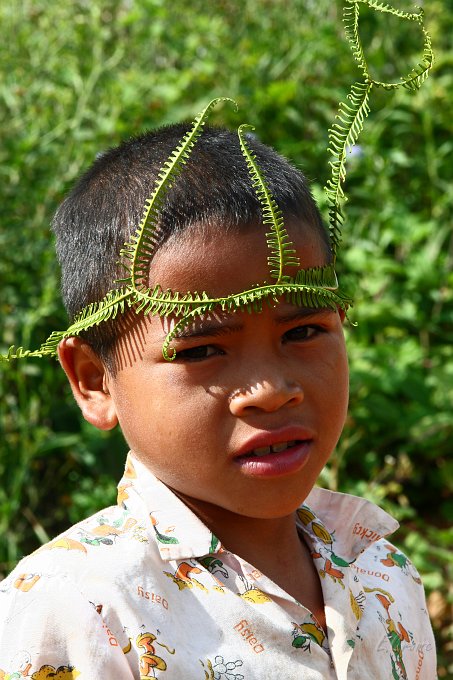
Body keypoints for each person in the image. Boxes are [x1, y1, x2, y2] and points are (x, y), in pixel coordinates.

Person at [0, 120, 436, 680]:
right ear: (93, 380)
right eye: (203, 349)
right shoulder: (79, 608)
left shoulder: (380, 569)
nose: (272, 391)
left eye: (302, 332)